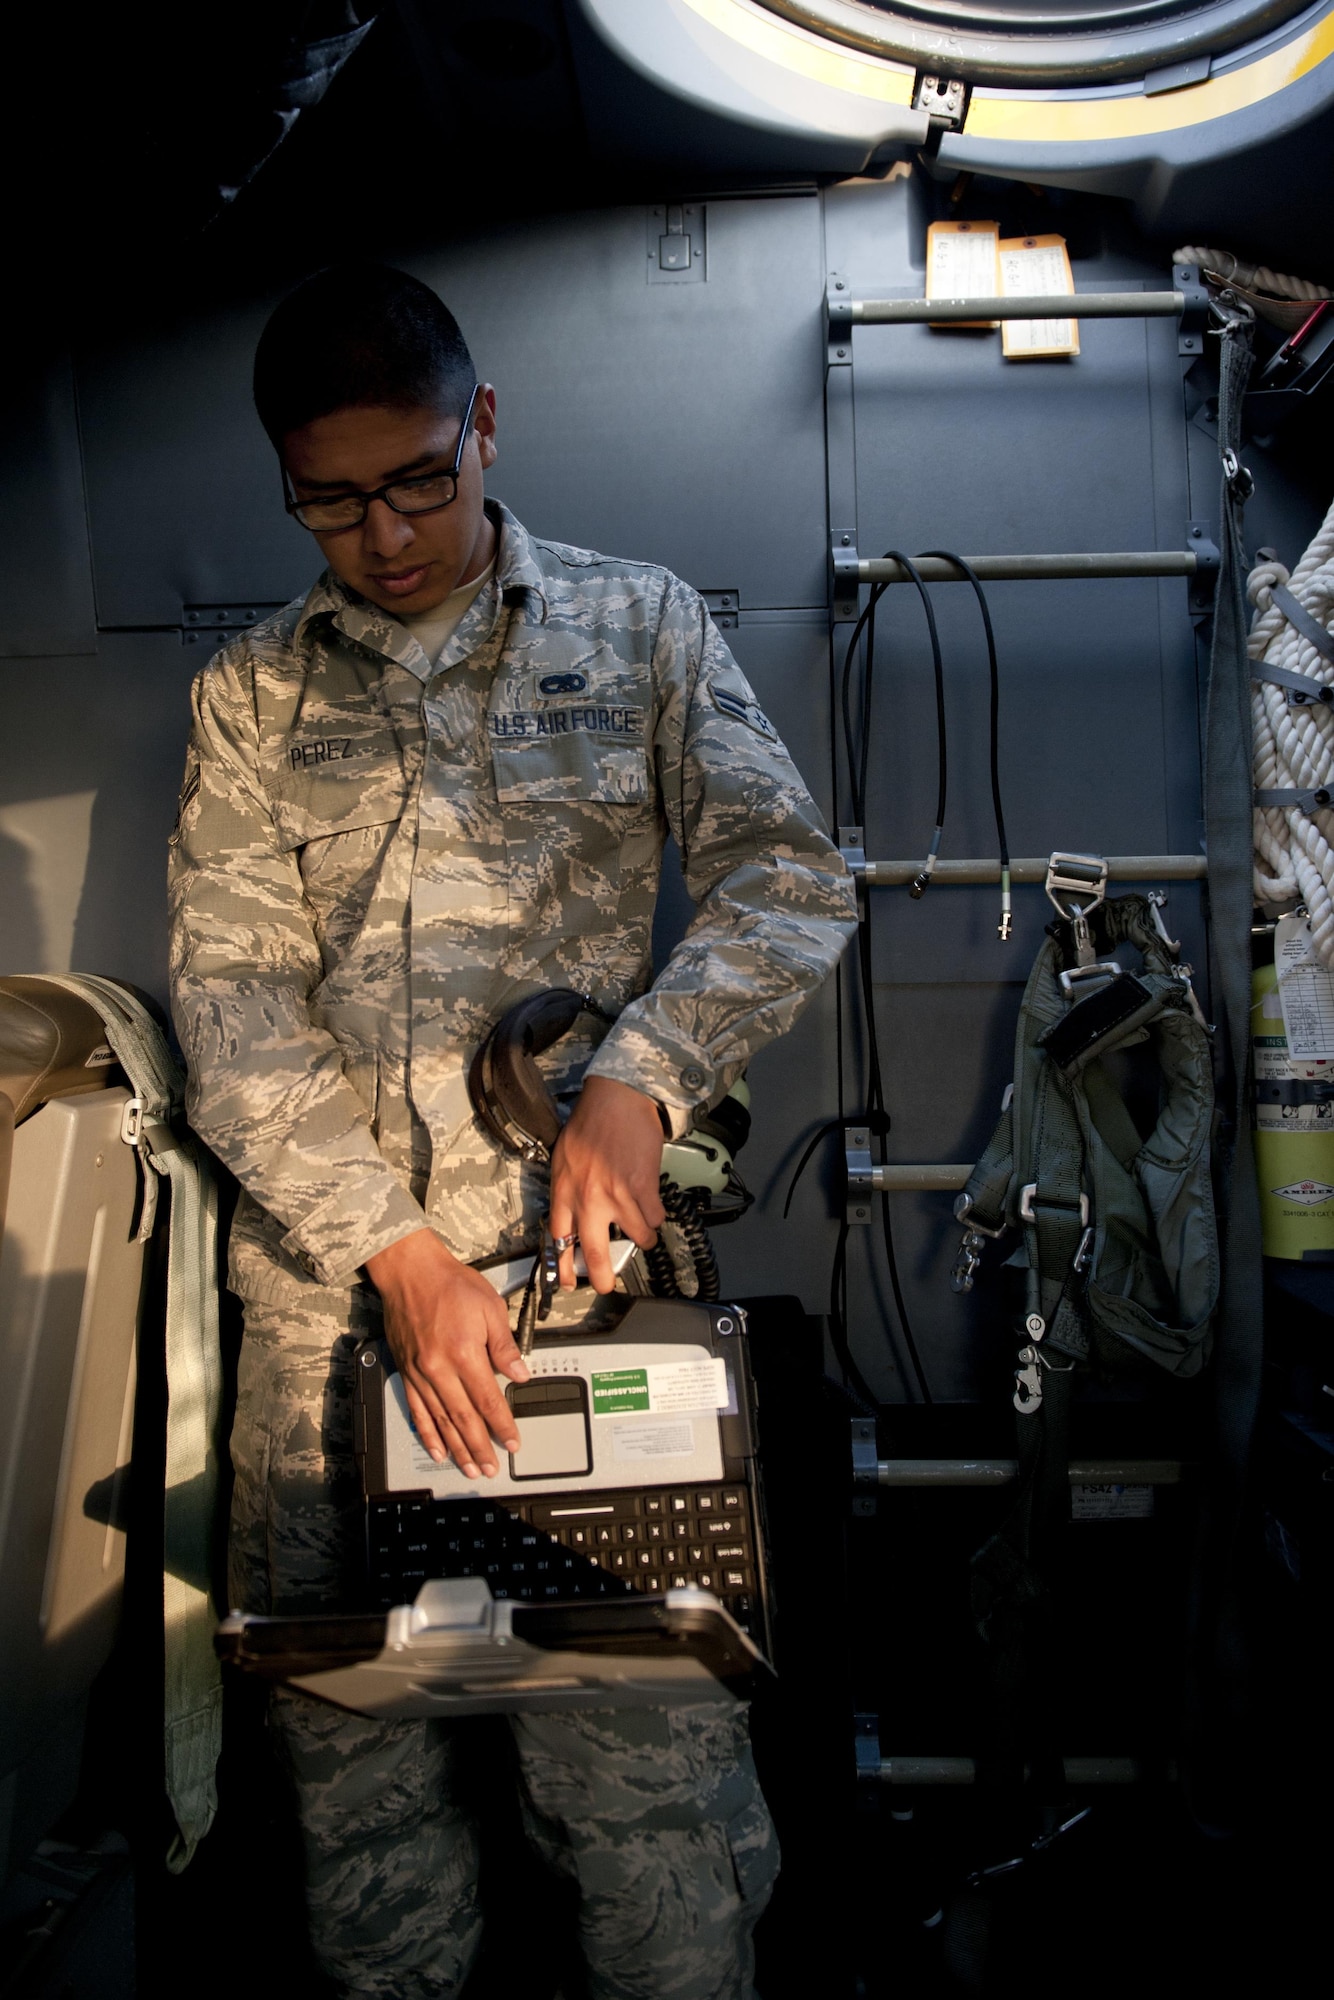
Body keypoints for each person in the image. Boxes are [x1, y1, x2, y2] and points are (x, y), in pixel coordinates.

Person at [168, 263, 856, 1998]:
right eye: (332, 502)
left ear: (481, 428)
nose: (385, 535)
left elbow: (789, 876)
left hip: (577, 1305)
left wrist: (640, 1075)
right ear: (283, 487)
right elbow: (233, 1008)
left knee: (643, 1790)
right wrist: (392, 1252)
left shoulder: (637, 630)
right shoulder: (251, 696)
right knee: (365, 1794)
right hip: (334, 1326)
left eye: (417, 481)